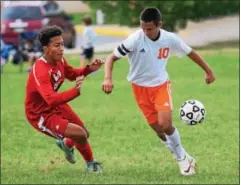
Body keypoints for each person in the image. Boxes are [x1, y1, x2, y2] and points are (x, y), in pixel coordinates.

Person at [102, 7, 215, 176]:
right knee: (159, 131)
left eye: (149, 28)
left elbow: (191, 53)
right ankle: (183, 155)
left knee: (165, 124)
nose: (145, 32)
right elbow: (111, 58)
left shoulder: (170, 39)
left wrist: (208, 71)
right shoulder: (134, 39)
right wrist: (107, 78)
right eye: (143, 28)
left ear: (159, 25)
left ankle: (181, 159)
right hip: (139, 88)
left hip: (161, 85)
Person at [24, 25, 104, 173]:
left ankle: (66, 144)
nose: (61, 48)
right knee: (79, 134)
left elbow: (72, 74)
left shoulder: (59, 60)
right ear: (46, 48)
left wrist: (89, 69)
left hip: (56, 104)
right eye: (57, 45)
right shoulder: (41, 70)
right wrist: (74, 92)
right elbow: (50, 99)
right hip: (40, 113)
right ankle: (91, 165)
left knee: (84, 133)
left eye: (62, 44)